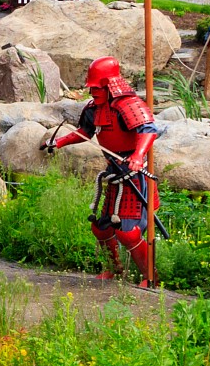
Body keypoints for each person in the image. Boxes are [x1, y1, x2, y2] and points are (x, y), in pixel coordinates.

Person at [42, 56, 160, 285]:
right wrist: (59, 143)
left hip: (133, 176)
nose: (92, 92)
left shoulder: (128, 105)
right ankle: (114, 268)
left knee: (128, 232)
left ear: (109, 85)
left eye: (97, 88)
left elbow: (148, 130)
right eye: (92, 87)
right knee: (101, 228)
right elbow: (85, 132)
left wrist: (137, 156)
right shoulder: (93, 108)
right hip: (114, 173)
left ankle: (150, 276)